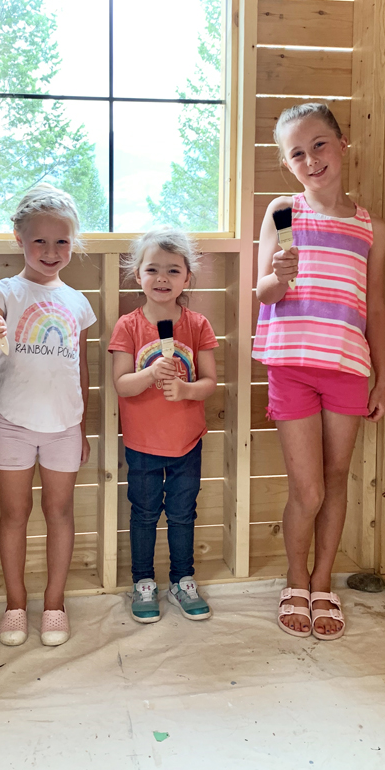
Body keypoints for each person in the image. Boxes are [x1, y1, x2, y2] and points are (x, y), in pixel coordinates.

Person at [253, 102, 385, 641]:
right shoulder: (283, 212)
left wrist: (383, 377)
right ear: (287, 164)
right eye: (297, 154)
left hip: (348, 367)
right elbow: (264, 293)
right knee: (307, 491)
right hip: (292, 366)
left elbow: (376, 306)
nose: (310, 160)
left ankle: (322, 582)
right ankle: (296, 579)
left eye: (319, 145)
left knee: (335, 480)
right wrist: (278, 275)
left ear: (342, 144)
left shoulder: (372, 228)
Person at [0, 185, 96, 647]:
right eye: (39, 240)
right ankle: (16, 605)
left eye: (61, 241)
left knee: (59, 513)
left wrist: (82, 428)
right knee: (14, 515)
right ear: (19, 239)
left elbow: (81, 370)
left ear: (72, 243)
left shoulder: (78, 303)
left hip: (64, 429)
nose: (50, 251)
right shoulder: (2, 294)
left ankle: (55, 604)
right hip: (13, 425)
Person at [109, 229, 218, 624]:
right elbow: (122, 384)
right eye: (152, 269)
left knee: (183, 513)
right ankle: (143, 582)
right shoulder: (128, 326)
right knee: (143, 514)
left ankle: (182, 580)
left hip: (187, 443)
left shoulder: (198, 325)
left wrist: (186, 390)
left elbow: (210, 382)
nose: (162, 278)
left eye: (173, 270)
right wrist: (151, 373)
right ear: (137, 274)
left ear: (187, 277)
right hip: (142, 445)